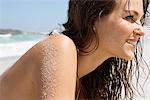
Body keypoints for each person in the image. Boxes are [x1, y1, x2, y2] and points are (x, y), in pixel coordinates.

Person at [0, 0, 149, 99]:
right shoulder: (60, 48)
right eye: (129, 17)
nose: (141, 30)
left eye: (140, 20)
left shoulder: (89, 81)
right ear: (92, 18)